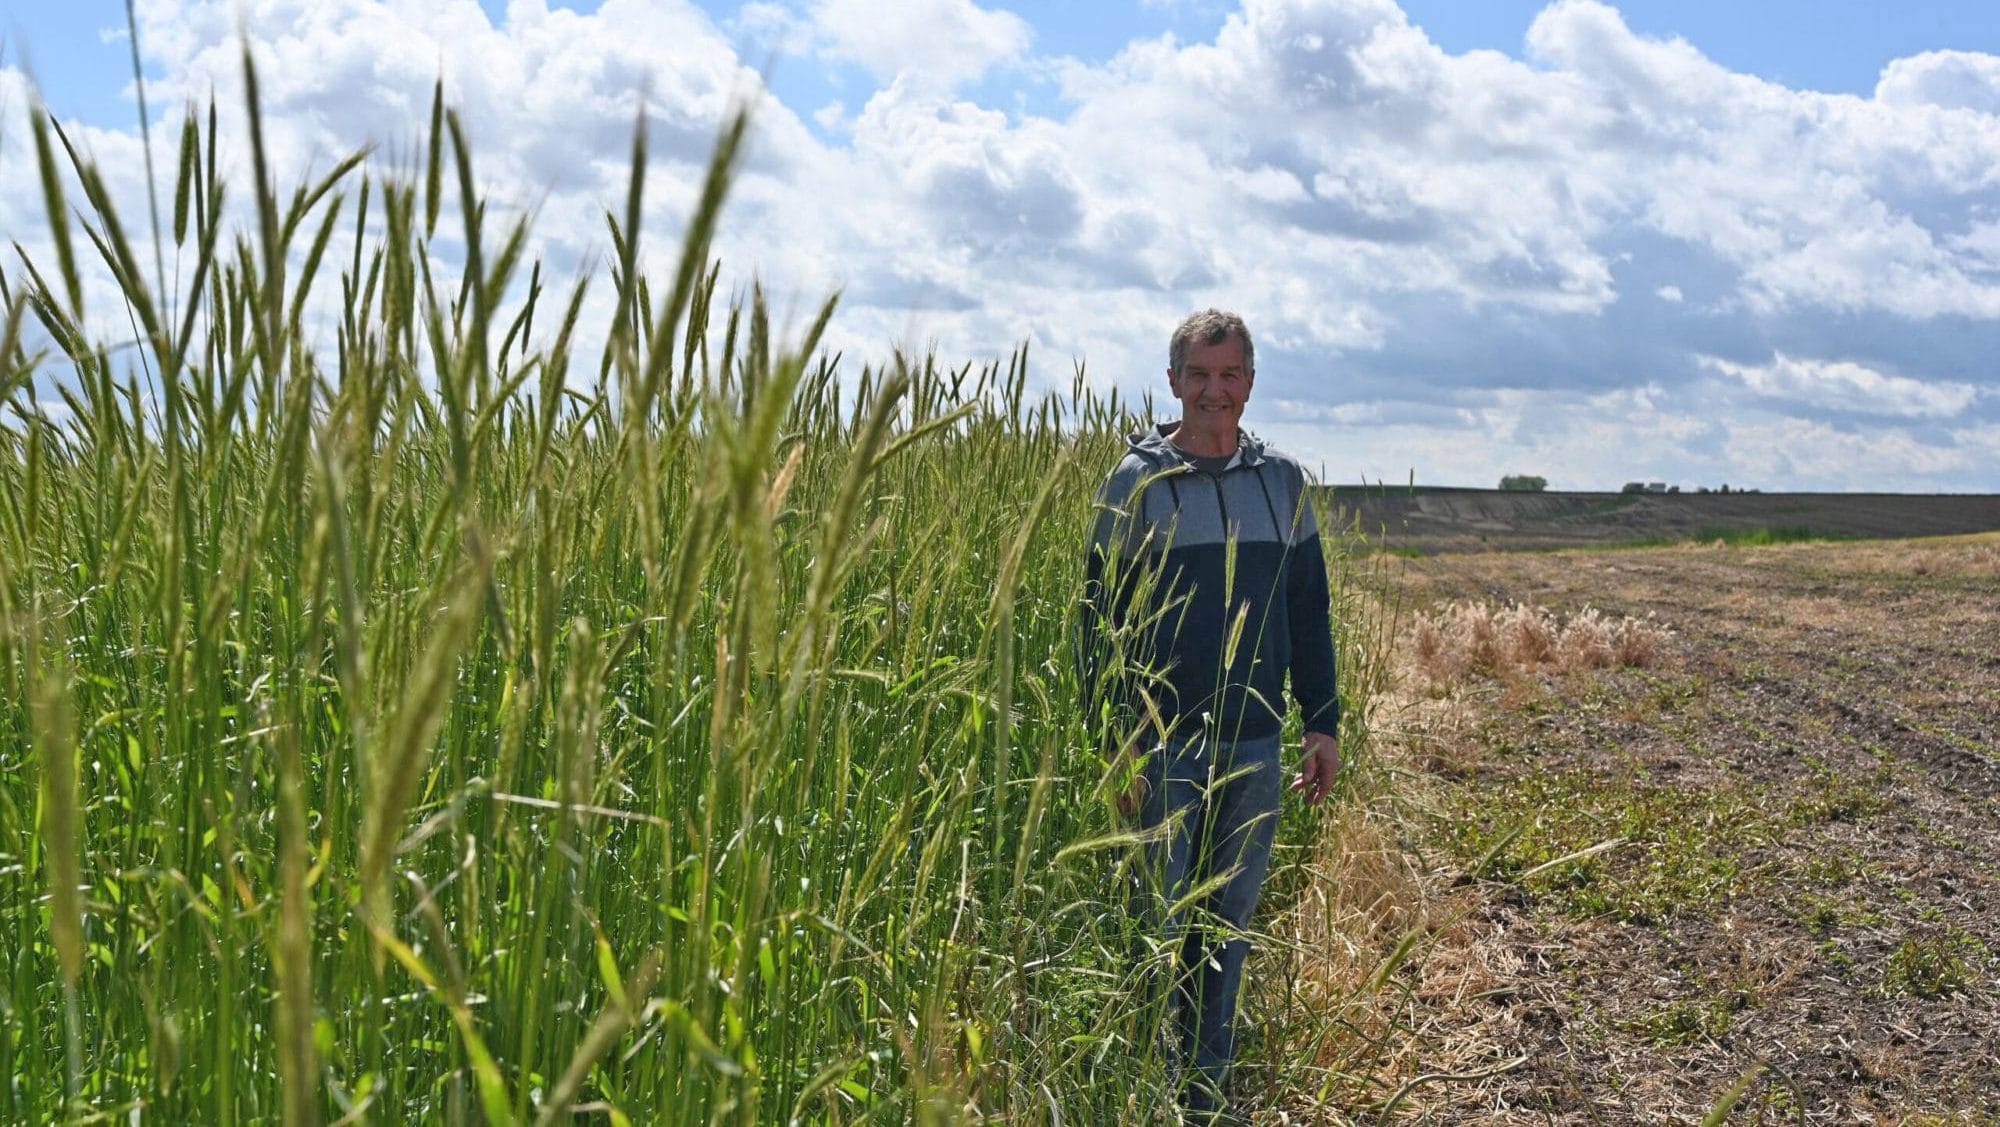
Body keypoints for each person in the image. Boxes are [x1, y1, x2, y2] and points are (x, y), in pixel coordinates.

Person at [1079, 309, 1340, 1118]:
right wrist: (1112, 741)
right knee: (1156, 925)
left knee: (1225, 928)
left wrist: (1322, 721)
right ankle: (1144, 1088)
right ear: (1173, 382)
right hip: (1161, 748)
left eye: (1229, 375)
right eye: (1198, 375)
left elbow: (1308, 610)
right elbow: (1097, 621)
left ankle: (1205, 1096)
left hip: (1256, 745)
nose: (1213, 391)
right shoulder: (1135, 483)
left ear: (1250, 383)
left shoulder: (1282, 483)